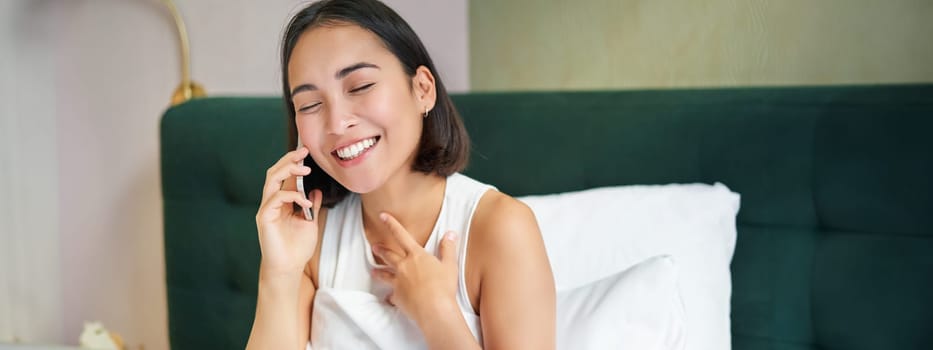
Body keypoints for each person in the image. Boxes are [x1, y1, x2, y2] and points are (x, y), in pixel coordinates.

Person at [246, 0, 555, 348]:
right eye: (310, 105)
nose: (336, 123)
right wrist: (280, 273)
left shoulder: (499, 228)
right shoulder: (309, 239)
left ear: (422, 89)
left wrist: (436, 311)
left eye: (360, 86)